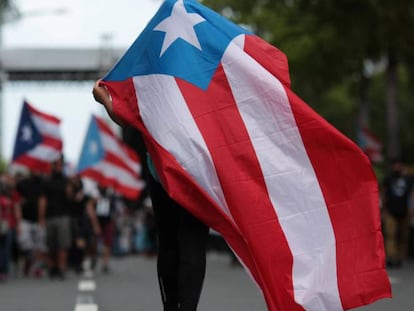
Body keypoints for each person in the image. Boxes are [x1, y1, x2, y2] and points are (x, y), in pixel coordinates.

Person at [93, 80, 210, 311]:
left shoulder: (151, 67)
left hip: (162, 166)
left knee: (168, 240)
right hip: (199, 167)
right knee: (193, 240)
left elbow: (130, 118)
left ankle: (170, 307)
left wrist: (105, 100)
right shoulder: (207, 59)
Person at [39, 155, 72, 279]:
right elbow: (43, 200)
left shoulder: (66, 180)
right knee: (51, 245)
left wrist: (70, 191)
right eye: (56, 164)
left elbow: (70, 198)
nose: (59, 167)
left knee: (63, 244)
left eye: (60, 164)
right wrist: (41, 217)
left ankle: (61, 268)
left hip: (63, 216)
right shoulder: (47, 181)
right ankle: (53, 267)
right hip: (50, 217)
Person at [381, 160, 414, 268]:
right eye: (395, 165)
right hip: (391, 211)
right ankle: (392, 257)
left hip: (404, 212)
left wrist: (411, 210)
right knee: (391, 235)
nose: (397, 167)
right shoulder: (388, 179)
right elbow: (384, 194)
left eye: (399, 165)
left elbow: (411, 195)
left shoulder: (408, 180)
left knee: (403, 236)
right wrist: (383, 210)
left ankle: (400, 257)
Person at [15, 171, 47, 277]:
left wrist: (41, 218)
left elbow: (43, 201)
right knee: (25, 244)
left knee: (39, 245)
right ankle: (29, 262)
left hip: (38, 220)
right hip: (25, 219)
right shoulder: (22, 183)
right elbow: (16, 199)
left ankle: (37, 267)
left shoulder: (43, 183)